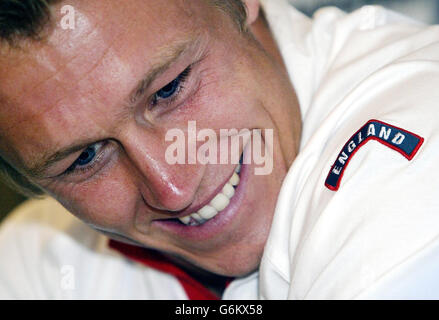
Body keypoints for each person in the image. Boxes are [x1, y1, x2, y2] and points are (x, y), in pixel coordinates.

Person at [0, 0, 438, 300]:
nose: (172, 188)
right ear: (25, 180)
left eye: (169, 89)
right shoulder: (36, 260)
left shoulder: (417, 144)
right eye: (85, 159)